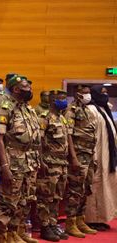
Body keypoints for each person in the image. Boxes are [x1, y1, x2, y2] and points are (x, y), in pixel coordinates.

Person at [0, 75, 41, 243]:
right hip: (13, 162)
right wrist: (4, 166)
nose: (30, 90)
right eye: (27, 87)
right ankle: (0, 236)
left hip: (29, 162)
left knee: (24, 201)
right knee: (8, 202)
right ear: (16, 89)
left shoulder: (27, 108)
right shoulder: (6, 107)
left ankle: (15, 232)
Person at [36, 90, 74, 241]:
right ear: (52, 101)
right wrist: (41, 161)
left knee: (57, 197)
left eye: (65, 98)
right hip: (50, 163)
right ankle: (45, 227)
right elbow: (38, 141)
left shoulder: (62, 118)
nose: (63, 102)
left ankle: (53, 224)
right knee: (46, 197)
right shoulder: (45, 118)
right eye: (60, 99)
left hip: (62, 163)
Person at [64, 84, 98, 238]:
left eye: (89, 92)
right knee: (75, 190)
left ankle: (80, 220)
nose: (88, 95)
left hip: (89, 155)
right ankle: (70, 222)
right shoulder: (71, 111)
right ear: (78, 94)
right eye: (85, 93)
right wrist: (73, 158)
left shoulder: (87, 110)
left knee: (85, 188)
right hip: (78, 155)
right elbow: (68, 135)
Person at [85, 85, 117, 231]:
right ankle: (91, 219)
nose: (105, 95)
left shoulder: (104, 109)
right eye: (102, 92)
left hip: (107, 155)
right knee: (95, 186)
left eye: (106, 92)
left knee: (106, 187)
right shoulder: (91, 110)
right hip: (96, 155)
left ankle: (102, 217)